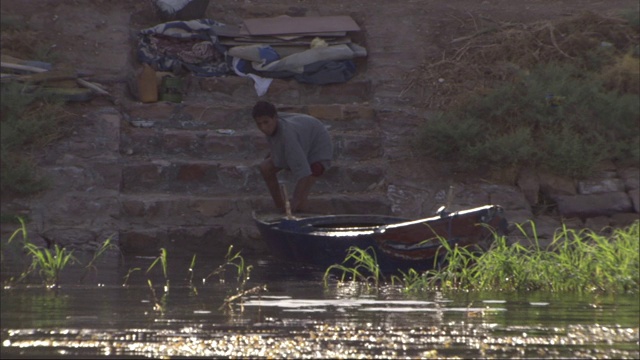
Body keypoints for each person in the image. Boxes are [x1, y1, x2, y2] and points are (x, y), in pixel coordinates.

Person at [252, 101, 333, 213]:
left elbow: (304, 173)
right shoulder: (275, 124)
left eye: (266, 122)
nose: (263, 128)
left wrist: (295, 200)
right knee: (265, 167)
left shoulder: (288, 136)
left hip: (317, 152)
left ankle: (296, 215)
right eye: (259, 124)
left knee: (299, 204)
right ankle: (281, 208)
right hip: (302, 143)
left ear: (275, 118)